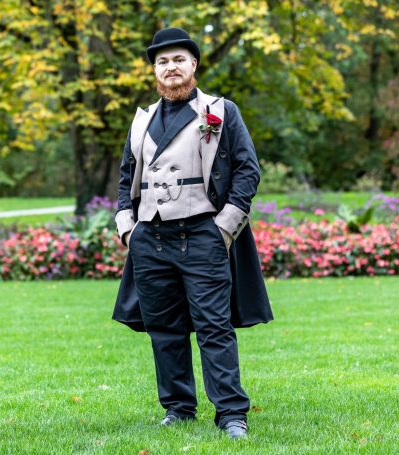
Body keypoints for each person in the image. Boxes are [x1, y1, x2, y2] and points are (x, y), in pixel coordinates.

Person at [112, 27, 273, 440]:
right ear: (155, 70)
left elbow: (247, 171)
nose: (171, 68)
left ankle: (231, 414)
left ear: (194, 66)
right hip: (151, 238)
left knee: (214, 327)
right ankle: (179, 409)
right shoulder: (141, 119)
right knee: (164, 330)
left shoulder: (221, 111)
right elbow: (126, 178)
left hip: (202, 234)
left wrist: (225, 228)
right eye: (162, 62)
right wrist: (127, 227)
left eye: (179, 60)